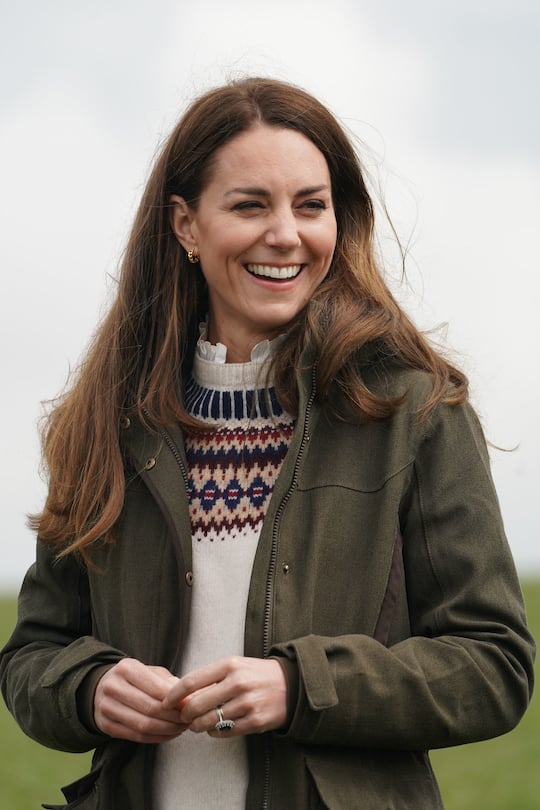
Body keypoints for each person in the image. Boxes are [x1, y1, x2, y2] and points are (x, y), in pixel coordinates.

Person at [0, 77, 535, 810]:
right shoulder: (108, 420)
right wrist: (88, 688)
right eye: (251, 204)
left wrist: (300, 685)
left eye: (310, 206)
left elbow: (493, 667)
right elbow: (32, 657)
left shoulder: (416, 410)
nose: (286, 233)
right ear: (186, 225)